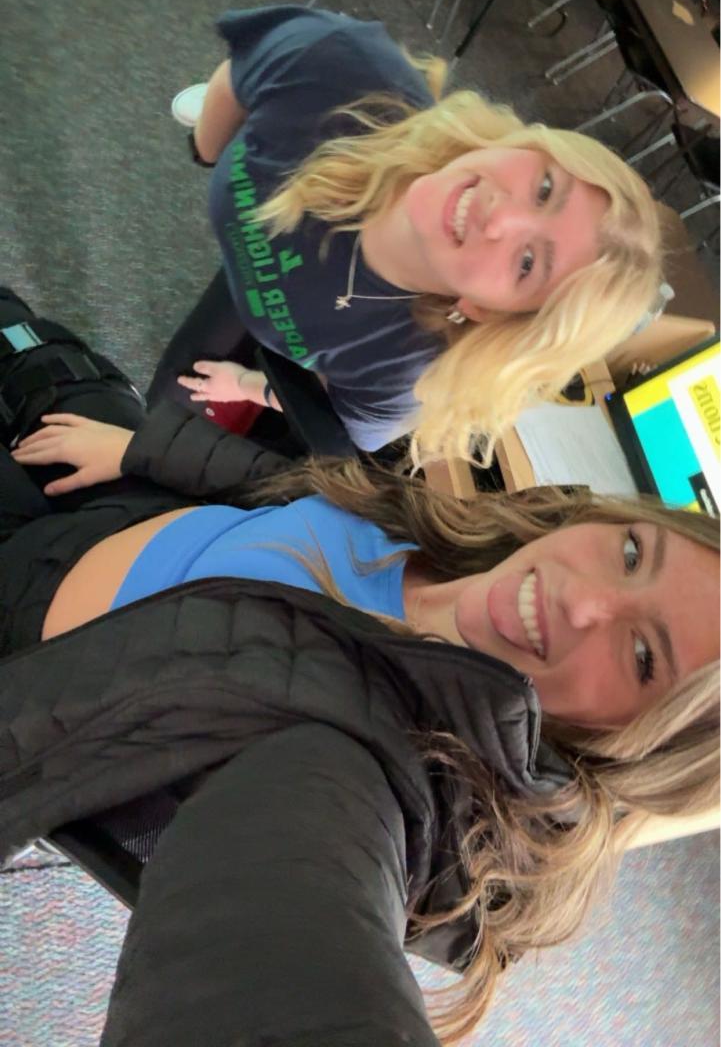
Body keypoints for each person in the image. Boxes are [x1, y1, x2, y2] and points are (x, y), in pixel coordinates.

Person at [1, 289, 717, 1047]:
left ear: (637, 752)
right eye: (631, 553)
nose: (583, 600)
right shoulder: (465, 539)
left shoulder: (386, 772)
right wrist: (139, 451)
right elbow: (285, 494)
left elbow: (286, 935)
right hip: (117, 505)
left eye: (644, 655)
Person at [151, 4, 663, 465]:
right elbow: (235, 79)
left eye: (528, 263)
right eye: (545, 187)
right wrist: (208, 151)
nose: (501, 218)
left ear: (487, 310)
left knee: (156, 431)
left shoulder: (404, 372)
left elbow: (339, 422)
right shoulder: (337, 66)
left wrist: (247, 386)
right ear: (529, 145)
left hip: (262, 295)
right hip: (265, 245)